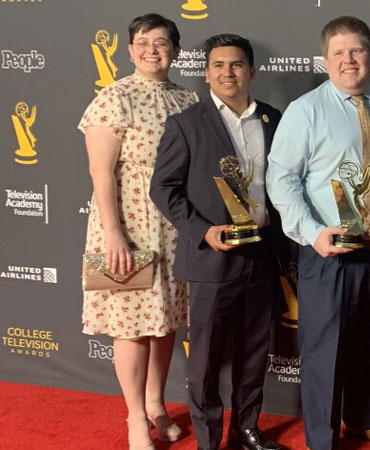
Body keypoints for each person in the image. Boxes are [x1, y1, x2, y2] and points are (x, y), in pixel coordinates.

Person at [266, 15, 370, 450]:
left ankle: (367, 418)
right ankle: (322, 438)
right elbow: (282, 179)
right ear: (325, 59)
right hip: (329, 251)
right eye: (339, 53)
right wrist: (312, 232)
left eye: (357, 51)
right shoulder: (306, 110)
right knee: (325, 352)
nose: (348, 61)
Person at [150, 34, 283, 450]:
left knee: (255, 352)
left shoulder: (274, 119)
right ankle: (209, 441)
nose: (229, 73)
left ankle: (246, 431)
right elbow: (163, 188)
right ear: (206, 73)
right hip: (212, 257)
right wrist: (202, 229)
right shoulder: (187, 124)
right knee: (205, 360)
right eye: (220, 65)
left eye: (237, 65)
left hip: (262, 252)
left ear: (252, 71)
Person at [79, 13, 197, 450]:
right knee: (130, 326)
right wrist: (113, 233)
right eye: (143, 42)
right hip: (126, 223)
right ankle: (133, 418)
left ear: (176, 50)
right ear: (129, 51)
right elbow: (100, 171)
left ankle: (156, 405)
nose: (152, 49)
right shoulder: (113, 98)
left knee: (165, 323)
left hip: (174, 224)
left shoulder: (188, 99)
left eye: (162, 42)